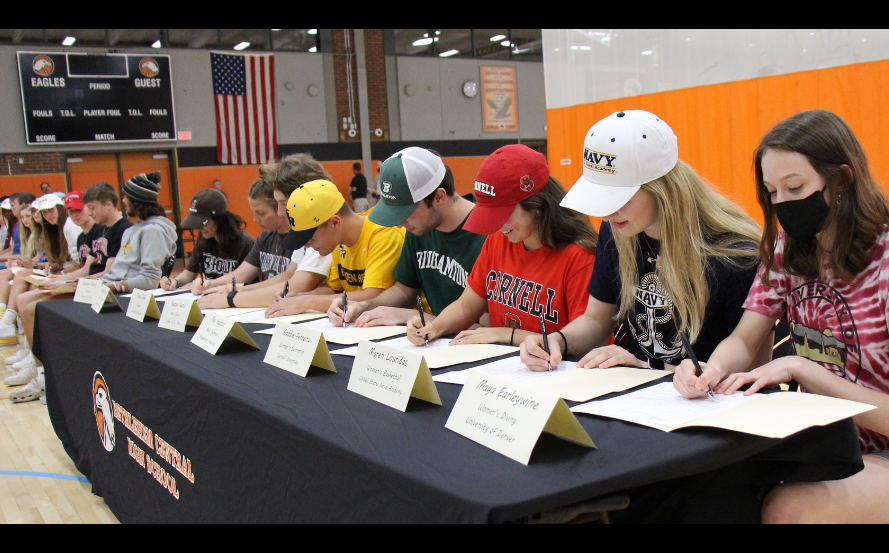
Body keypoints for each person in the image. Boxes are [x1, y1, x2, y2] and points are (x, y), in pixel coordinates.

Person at [673, 110, 889, 524]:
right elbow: (744, 338)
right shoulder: (790, 247)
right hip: (825, 443)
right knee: (706, 482)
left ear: (842, 180)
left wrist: (799, 367)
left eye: (795, 187)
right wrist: (709, 368)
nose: (783, 205)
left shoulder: (882, 261)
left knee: (790, 510)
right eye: (772, 192)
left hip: (876, 450)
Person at [407, 144, 597, 347]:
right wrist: (435, 327)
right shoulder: (499, 240)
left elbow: (586, 340)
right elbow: (467, 304)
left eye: (502, 215)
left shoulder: (580, 257)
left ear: (537, 204)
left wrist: (506, 334)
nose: (498, 225)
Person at [329, 147, 485, 328]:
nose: (399, 224)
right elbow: (404, 289)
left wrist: (414, 316)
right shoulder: (419, 228)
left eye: (406, 212)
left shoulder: (489, 236)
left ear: (438, 197)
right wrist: (365, 306)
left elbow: (487, 330)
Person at [197, 155, 333, 309]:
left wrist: (232, 299)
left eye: (284, 204)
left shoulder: (324, 233)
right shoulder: (305, 230)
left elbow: (296, 286)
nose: (280, 212)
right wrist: (242, 289)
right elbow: (289, 275)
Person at [263, 179, 405, 317]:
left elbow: (374, 295)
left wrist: (306, 302)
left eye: (310, 237)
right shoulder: (338, 241)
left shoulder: (383, 233)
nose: (307, 246)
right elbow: (334, 289)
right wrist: (297, 297)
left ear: (335, 223)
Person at [2, 194, 74, 386]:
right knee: (23, 294)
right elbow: (56, 261)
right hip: (65, 275)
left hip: (77, 280)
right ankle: (31, 357)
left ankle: (37, 366)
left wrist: (59, 272)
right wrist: (54, 268)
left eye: (51, 210)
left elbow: (80, 265)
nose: (48, 215)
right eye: (44, 212)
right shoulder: (47, 232)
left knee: (27, 295)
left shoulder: (70, 227)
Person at [159, 189, 254, 294]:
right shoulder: (204, 240)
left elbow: (244, 277)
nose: (199, 228)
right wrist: (174, 282)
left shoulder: (244, 243)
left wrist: (209, 284)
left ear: (219, 219)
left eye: (204, 223)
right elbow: (189, 274)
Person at [100, 171, 177, 293]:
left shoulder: (153, 231)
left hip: (123, 295)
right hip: (109, 287)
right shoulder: (131, 230)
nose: (123, 200)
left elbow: (150, 280)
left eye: (126, 196)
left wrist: (109, 287)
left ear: (137, 200)